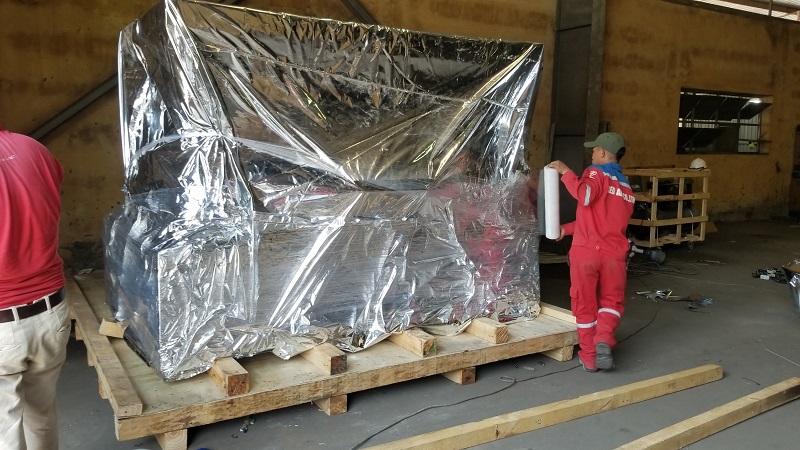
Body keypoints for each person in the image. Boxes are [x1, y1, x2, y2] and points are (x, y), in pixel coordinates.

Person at [0, 120, 69, 450]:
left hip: (2, 324)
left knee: (5, 430)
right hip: (51, 313)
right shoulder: (34, 149)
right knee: (41, 415)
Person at [547, 132, 634, 372]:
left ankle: (590, 357)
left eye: (594, 150)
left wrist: (566, 171)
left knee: (584, 304)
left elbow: (584, 195)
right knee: (612, 302)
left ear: (603, 152)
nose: (592, 153)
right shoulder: (626, 187)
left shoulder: (595, 172)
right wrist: (567, 229)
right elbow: (602, 221)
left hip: (587, 253)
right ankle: (603, 337)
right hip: (614, 255)